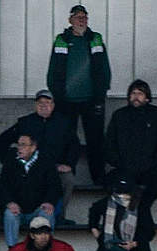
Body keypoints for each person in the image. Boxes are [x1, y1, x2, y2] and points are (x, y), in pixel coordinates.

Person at [46, 5, 111, 184]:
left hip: (92, 100)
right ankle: (67, 178)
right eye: (78, 17)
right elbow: (54, 70)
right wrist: (58, 95)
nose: (81, 20)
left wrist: (100, 94)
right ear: (70, 20)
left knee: (96, 140)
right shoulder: (62, 40)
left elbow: (103, 68)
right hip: (66, 101)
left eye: (84, 17)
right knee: (66, 140)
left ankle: (99, 179)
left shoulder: (95, 38)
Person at [0, 91, 79, 225]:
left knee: (68, 179)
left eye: (47, 102)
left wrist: (69, 164)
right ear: (35, 105)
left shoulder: (63, 122)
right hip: (31, 167)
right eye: (40, 103)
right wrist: (10, 162)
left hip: (55, 166)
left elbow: (74, 145)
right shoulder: (25, 122)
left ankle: (59, 216)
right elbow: (2, 140)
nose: (44, 106)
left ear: (53, 105)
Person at [104, 79, 157, 216]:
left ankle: (137, 219)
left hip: (149, 170)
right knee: (114, 186)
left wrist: (151, 163)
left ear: (147, 97)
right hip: (123, 169)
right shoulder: (120, 115)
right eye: (133, 93)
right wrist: (120, 163)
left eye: (140, 93)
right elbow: (109, 145)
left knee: (152, 189)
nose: (136, 96)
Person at [0, 134, 61, 247]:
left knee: (47, 213)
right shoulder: (11, 159)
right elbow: (2, 185)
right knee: (9, 214)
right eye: (18, 144)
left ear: (33, 147)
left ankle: (45, 249)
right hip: (18, 208)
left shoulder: (46, 160)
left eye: (23, 145)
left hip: (37, 208)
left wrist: (49, 201)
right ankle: (13, 250)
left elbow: (55, 185)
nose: (19, 148)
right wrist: (9, 202)